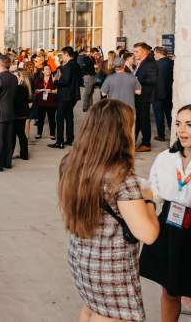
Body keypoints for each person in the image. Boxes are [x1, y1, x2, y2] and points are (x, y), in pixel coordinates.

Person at [58, 98, 159, 322]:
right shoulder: (121, 177)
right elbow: (148, 234)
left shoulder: (71, 163)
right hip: (110, 268)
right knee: (110, 315)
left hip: (81, 257)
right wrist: (149, 200)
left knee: (91, 308)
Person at [140, 104, 191, 322]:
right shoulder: (165, 158)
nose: (182, 130)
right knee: (170, 291)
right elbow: (154, 193)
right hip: (170, 226)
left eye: (189, 124)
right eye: (178, 124)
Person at [49, 47, 83, 150]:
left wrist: (55, 81)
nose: (62, 57)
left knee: (59, 118)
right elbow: (80, 81)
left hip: (65, 96)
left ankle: (59, 142)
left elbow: (66, 81)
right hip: (73, 95)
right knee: (69, 117)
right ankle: (69, 139)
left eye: (62, 55)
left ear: (67, 54)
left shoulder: (68, 66)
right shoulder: (76, 65)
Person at [133, 42, 158, 152]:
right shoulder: (143, 62)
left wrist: (137, 80)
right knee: (139, 119)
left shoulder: (149, 63)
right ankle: (134, 141)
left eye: (136, 51)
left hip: (144, 96)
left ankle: (146, 143)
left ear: (144, 51)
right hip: (140, 95)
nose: (134, 53)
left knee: (144, 119)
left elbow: (153, 80)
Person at [153, 46, 174, 142]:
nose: (154, 55)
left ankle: (161, 136)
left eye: (154, 53)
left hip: (158, 94)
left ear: (158, 53)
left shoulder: (156, 64)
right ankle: (174, 134)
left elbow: (156, 81)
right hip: (169, 93)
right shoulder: (171, 62)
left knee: (159, 116)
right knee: (170, 115)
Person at [34, 64, 57, 140]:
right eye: (46, 69)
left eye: (49, 69)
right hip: (41, 102)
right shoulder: (38, 79)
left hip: (51, 102)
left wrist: (51, 91)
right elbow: (34, 90)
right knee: (40, 119)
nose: (48, 70)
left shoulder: (54, 79)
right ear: (43, 71)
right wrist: (40, 90)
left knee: (52, 119)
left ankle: (52, 134)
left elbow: (58, 90)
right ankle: (39, 133)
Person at [12, 71, 31, 161]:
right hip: (22, 114)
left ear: (20, 77)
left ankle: (10, 154)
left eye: (15, 76)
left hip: (18, 114)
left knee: (14, 135)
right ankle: (24, 154)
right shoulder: (24, 87)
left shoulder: (19, 88)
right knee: (21, 134)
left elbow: (16, 102)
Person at [77, 48, 96, 112]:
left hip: (93, 76)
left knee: (91, 92)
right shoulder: (85, 59)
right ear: (91, 53)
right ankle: (85, 107)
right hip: (88, 76)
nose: (95, 55)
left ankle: (91, 106)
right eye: (95, 54)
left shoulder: (93, 58)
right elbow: (83, 68)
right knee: (87, 92)